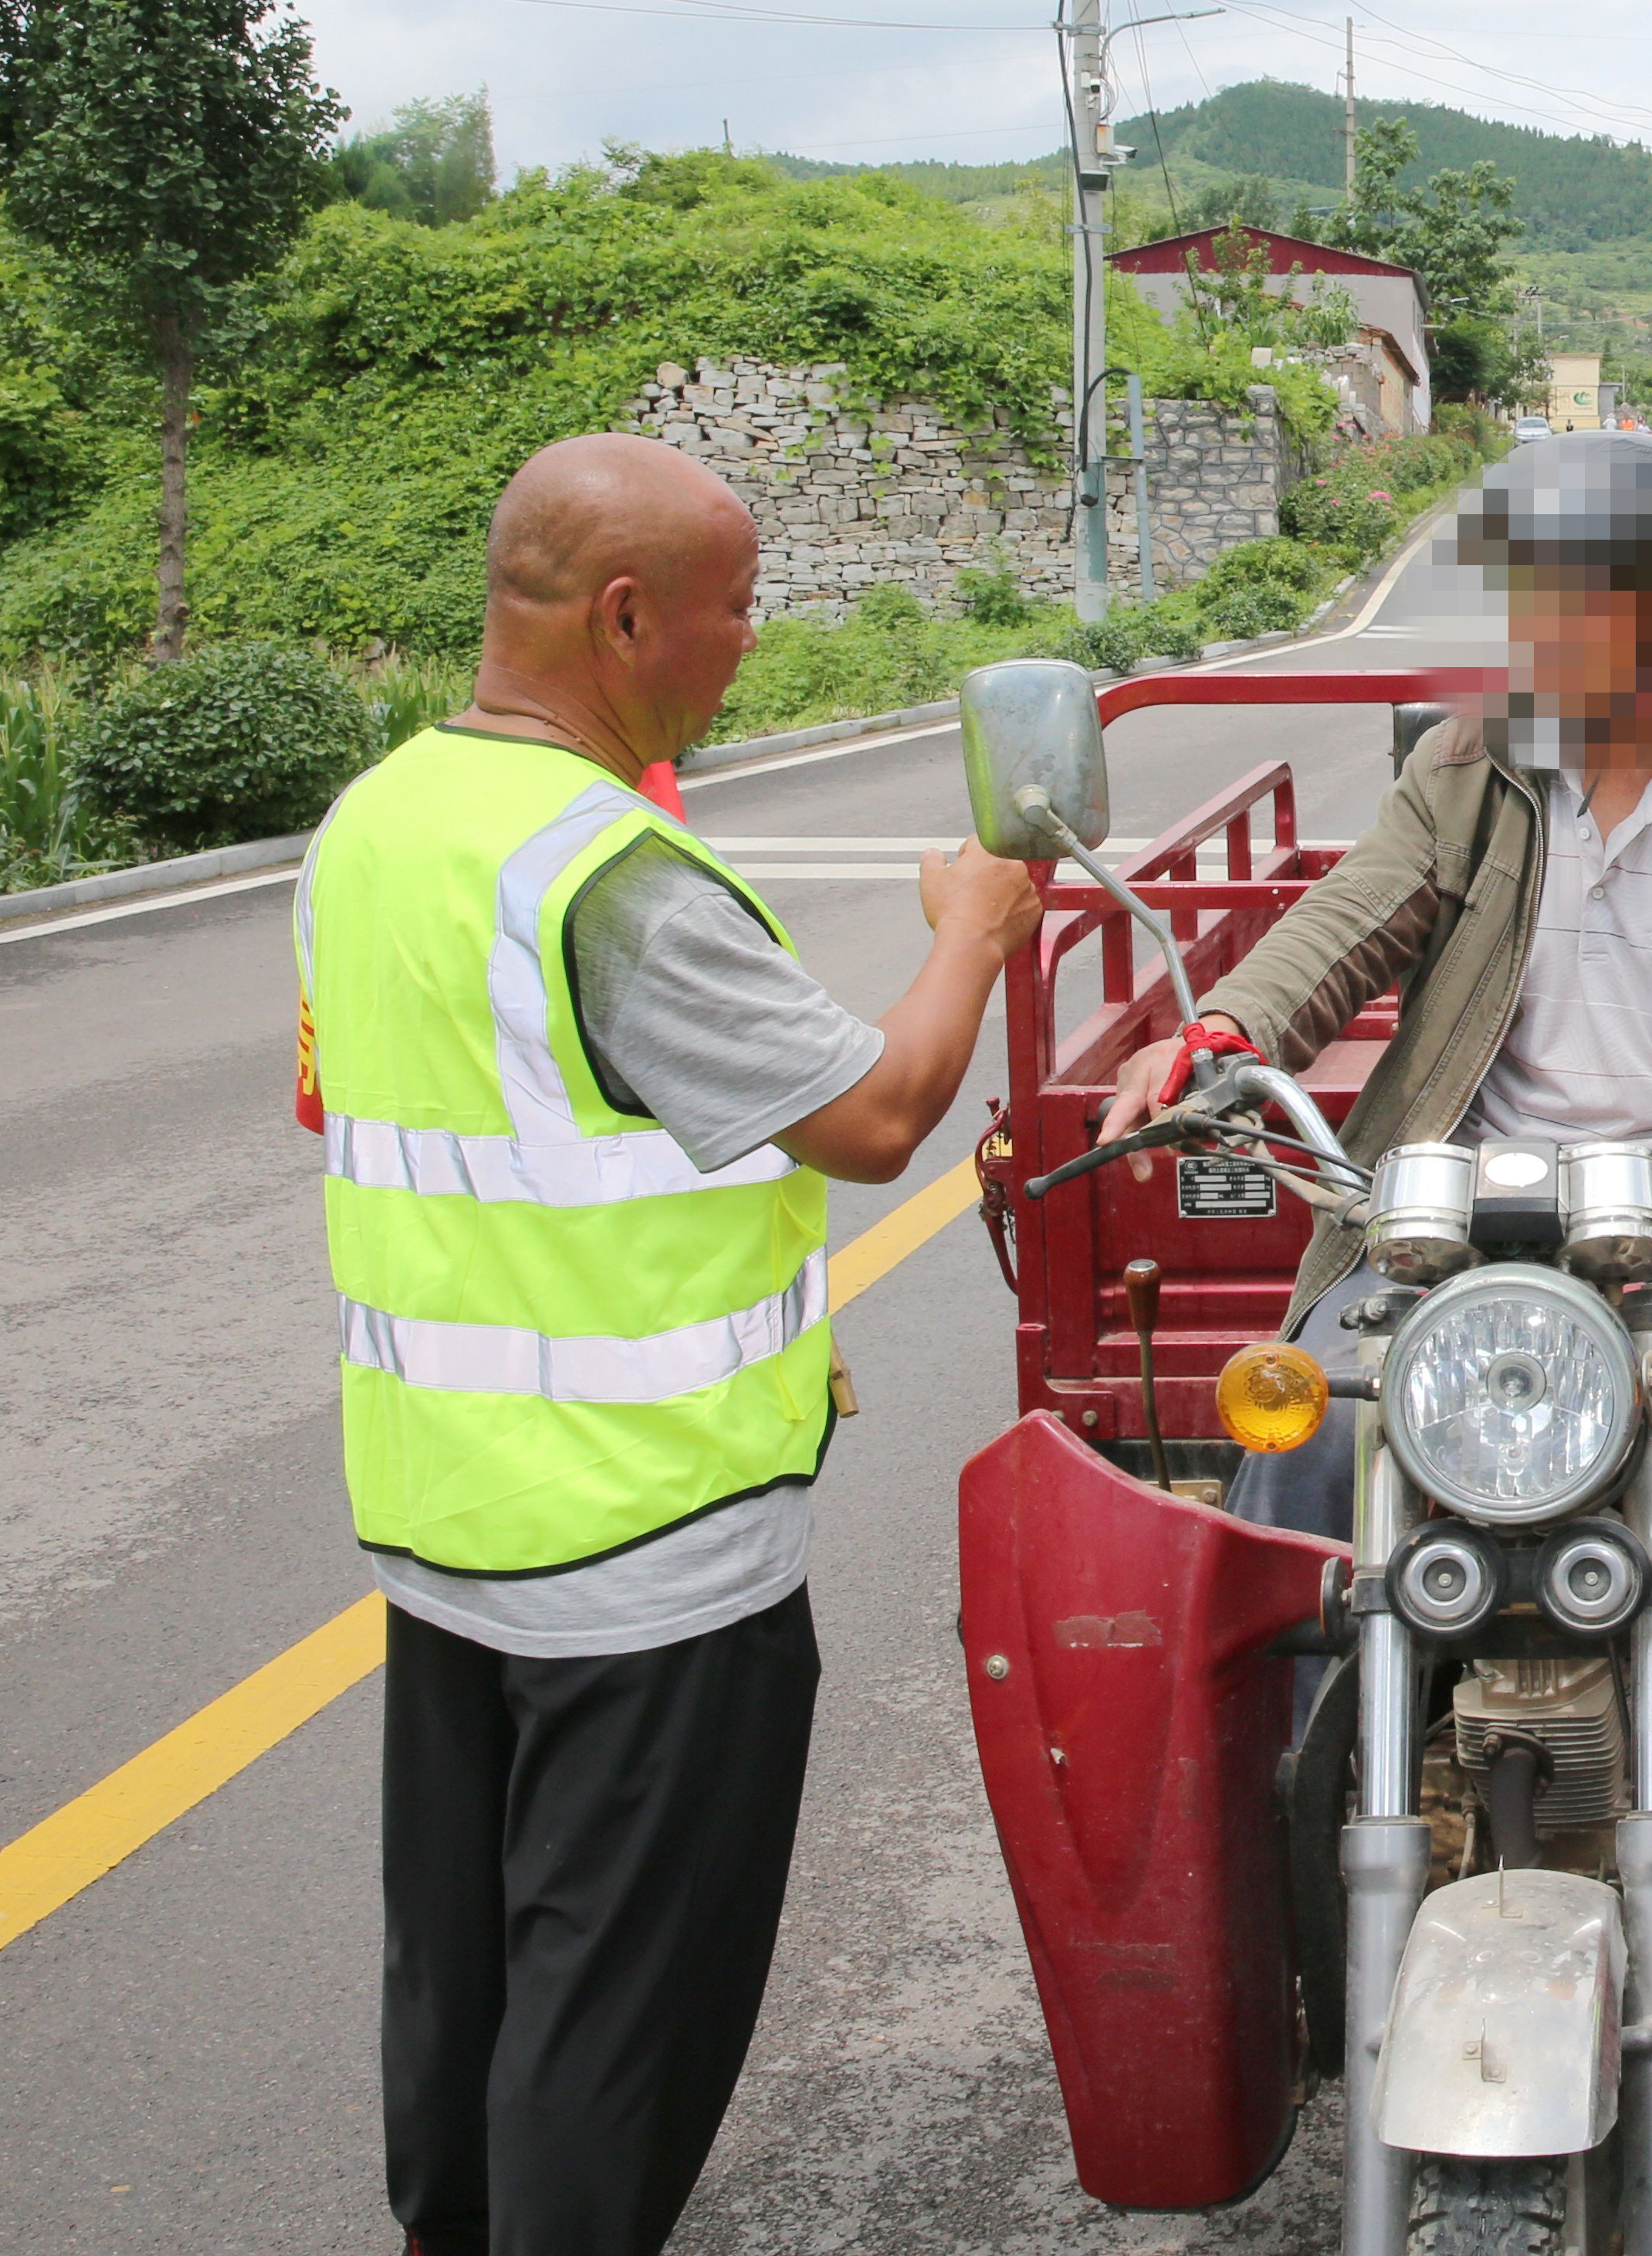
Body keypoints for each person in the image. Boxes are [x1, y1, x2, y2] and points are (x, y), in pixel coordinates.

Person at [296, 433, 1042, 2256]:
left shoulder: (377, 817)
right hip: (646, 1549)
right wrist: (974, 929)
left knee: (459, 1958)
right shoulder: (601, 876)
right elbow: (873, 1118)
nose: (749, 642)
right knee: (616, 2008)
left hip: (448, 1514)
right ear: (623, 616)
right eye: (732, 608)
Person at [1099, 430, 1652, 1534]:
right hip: (1471, 1200)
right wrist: (1231, 1025)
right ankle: (1296, 1711)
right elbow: (1346, 922)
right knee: (1309, 1433)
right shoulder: (1464, 770)